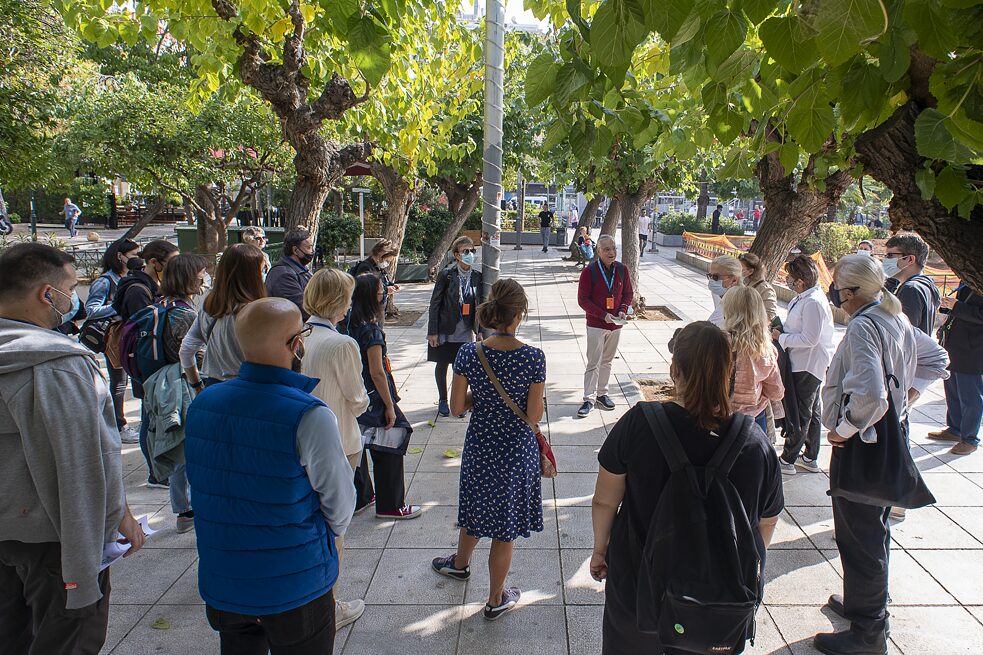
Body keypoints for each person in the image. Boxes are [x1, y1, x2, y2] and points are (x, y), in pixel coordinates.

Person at [591, 321, 783, 654]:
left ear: (674, 367)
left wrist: (600, 548)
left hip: (639, 584)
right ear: (729, 370)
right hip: (720, 600)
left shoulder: (639, 424)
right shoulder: (754, 443)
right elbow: (766, 521)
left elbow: (604, 501)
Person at [185, 297, 356, 654]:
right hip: (295, 582)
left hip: (225, 578)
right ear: (297, 344)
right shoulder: (309, 414)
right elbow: (340, 505)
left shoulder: (203, 403)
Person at [0, 243, 145, 654]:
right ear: (48, 294)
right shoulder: (59, 365)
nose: (74, 297)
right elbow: (84, 460)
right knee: (69, 636)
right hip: (55, 537)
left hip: (10, 530)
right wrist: (118, 515)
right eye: (70, 287)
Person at [817, 254, 949, 654]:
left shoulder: (864, 326)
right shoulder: (895, 316)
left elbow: (872, 396)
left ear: (854, 292)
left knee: (861, 537)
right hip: (887, 439)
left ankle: (869, 633)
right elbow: (936, 359)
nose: (836, 297)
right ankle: (863, 605)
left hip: (864, 446)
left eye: (839, 290)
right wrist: (905, 399)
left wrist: (842, 430)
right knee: (872, 530)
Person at [431, 279, 546, 621]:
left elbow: (456, 408)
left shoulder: (469, 352)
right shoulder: (533, 357)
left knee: (476, 505)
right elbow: (534, 415)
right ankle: (496, 598)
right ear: (520, 314)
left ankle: (460, 564)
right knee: (504, 526)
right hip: (515, 451)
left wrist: (483, 398)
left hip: (481, 445)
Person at [301, 267, 370, 630]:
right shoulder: (342, 344)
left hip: (302, 442)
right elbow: (356, 398)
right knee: (336, 528)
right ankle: (329, 606)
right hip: (340, 439)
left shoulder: (299, 335)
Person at [346, 274, 422, 520]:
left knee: (355, 444)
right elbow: (378, 371)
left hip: (353, 393)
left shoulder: (346, 323)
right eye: (382, 292)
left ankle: (362, 496)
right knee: (391, 442)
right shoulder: (371, 330)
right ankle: (391, 505)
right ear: (371, 297)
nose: (385, 294)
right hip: (375, 396)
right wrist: (389, 405)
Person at [149, 254, 209, 533]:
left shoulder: (160, 305)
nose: (204, 278)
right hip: (183, 384)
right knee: (188, 447)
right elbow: (194, 354)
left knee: (175, 443)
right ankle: (188, 509)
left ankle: (183, 509)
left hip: (160, 384)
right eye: (200, 273)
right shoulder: (185, 314)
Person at [115, 239, 180, 488]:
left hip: (153, 362)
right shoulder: (138, 290)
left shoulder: (151, 285)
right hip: (147, 363)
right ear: (154, 262)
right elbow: (146, 331)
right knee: (149, 418)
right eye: (171, 261)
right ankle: (156, 473)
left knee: (153, 415)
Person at [772, 255, 835, 475]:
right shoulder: (804, 298)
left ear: (800, 280)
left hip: (807, 364)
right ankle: (809, 456)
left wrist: (781, 337)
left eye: (790, 277)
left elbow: (810, 339)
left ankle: (788, 459)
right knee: (812, 410)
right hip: (802, 362)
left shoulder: (814, 303)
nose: (787, 280)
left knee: (801, 412)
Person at [180, 243, 266, 391]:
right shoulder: (258, 312)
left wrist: (196, 385)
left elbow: (186, 350)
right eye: (262, 269)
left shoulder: (209, 308)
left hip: (214, 387)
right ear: (253, 275)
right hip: (251, 389)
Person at [84, 238, 141, 443]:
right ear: (120, 256)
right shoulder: (105, 281)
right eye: (134, 255)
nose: (138, 259)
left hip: (128, 334)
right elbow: (91, 310)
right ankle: (119, 425)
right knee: (118, 382)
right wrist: (119, 305)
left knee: (130, 380)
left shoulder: (130, 277)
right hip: (113, 337)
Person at [427, 236, 484, 417]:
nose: (469, 254)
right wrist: (433, 332)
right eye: (465, 251)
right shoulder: (447, 275)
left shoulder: (477, 277)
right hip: (446, 327)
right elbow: (435, 303)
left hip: (465, 329)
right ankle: (443, 400)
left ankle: (458, 402)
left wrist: (480, 330)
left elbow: (480, 305)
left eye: (472, 251)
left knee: (461, 368)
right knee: (442, 363)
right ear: (457, 255)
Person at [577, 235, 633, 418]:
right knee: (594, 362)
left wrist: (623, 310)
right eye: (607, 249)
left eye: (613, 248)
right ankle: (588, 398)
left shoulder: (623, 270)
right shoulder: (589, 272)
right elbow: (582, 300)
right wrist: (603, 315)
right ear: (598, 251)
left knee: (607, 361)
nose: (611, 252)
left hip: (616, 325)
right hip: (596, 324)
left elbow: (627, 293)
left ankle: (602, 394)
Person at [931, 284, 983, 456]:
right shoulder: (967, 276)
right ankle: (955, 429)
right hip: (956, 343)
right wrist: (948, 306)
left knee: (970, 395)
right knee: (952, 388)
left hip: (973, 348)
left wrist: (956, 306)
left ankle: (970, 439)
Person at [723, 286, 784, 433]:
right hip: (753, 420)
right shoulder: (766, 349)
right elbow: (776, 392)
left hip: (720, 416)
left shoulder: (717, 342)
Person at [881, 234, 941, 335]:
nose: (885, 260)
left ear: (910, 259)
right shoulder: (926, 284)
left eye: (890, 255)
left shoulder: (911, 289)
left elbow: (903, 335)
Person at [266, 227, 314, 319]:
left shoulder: (301, 269)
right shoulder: (284, 275)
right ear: (295, 250)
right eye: (309, 247)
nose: (312, 251)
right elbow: (303, 308)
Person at [353, 239, 401, 313]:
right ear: (381, 256)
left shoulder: (378, 267)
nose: (387, 263)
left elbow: (384, 282)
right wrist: (386, 290)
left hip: (377, 311)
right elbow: (365, 291)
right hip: (367, 312)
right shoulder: (365, 267)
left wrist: (393, 286)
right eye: (387, 261)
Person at [739, 252, 779, 324]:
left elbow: (770, 315)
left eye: (740, 268)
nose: (737, 270)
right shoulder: (745, 281)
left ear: (751, 271)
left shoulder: (766, 289)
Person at [706, 254, 744, 326]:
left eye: (716, 277)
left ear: (734, 280)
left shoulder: (741, 303)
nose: (711, 280)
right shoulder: (719, 294)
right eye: (710, 276)